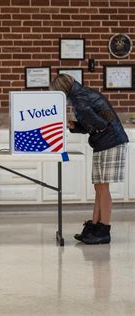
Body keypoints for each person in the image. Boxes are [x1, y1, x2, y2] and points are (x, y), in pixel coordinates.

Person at [50, 74, 129, 245]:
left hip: (111, 141)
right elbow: (91, 124)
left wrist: (94, 127)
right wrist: (75, 126)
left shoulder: (80, 99)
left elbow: (99, 124)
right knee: (99, 186)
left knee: (103, 187)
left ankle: (104, 230)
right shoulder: (81, 95)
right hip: (106, 141)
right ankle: (95, 226)